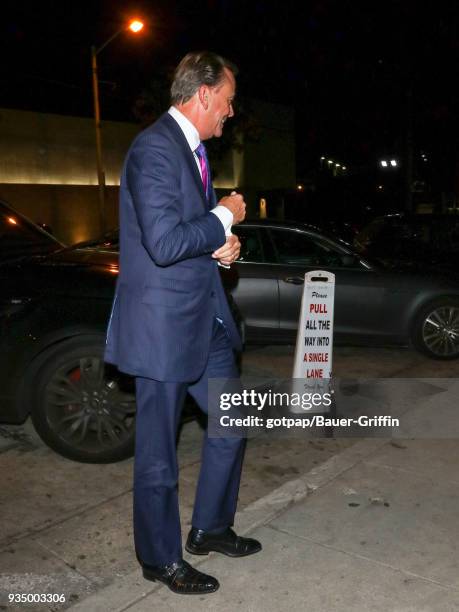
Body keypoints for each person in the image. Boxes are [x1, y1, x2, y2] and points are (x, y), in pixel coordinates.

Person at [104, 51, 261, 595]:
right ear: (202, 95)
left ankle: (210, 528)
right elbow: (166, 243)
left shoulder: (191, 152)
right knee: (158, 454)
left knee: (231, 424)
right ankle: (160, 558)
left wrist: (221, 247)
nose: (231, 112)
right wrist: (225, 215)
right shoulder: (153, 149)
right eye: (228, 101)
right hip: (164, 327)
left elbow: (186, 237)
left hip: (206, 318)